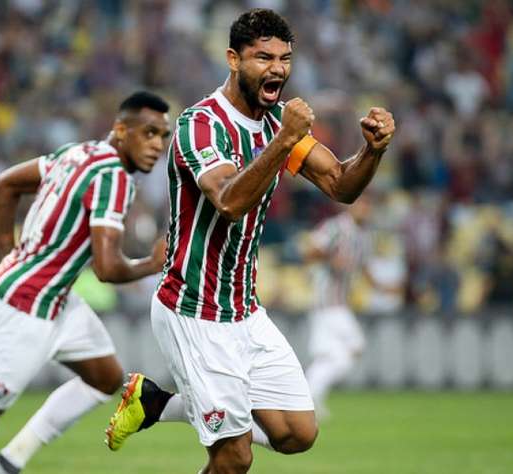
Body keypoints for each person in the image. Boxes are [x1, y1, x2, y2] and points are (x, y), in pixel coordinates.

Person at [104, 9, 395, 474]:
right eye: (263, 57)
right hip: (192, 308)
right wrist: (281, 143)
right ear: (233, 59)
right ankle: (169, 408)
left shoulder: (279, 123)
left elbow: (341, 184)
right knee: (233, 458)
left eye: (284, 58)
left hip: (243, 310)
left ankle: (154, 404)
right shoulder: (200, 125)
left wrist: (373, 151)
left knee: (297, 433)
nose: (277, 68)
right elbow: (229, 201)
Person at [0, 91, 172, 474]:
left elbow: (3, 186)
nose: (157, 145)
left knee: (104, 377)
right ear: (121, 130)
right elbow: (108, 269)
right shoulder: (113, 177)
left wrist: (7, 257)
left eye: (163, 135)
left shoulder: (76, 153)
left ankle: (7, 463)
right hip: (25, 305)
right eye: (149, 133)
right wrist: (152, 263)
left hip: (55, 299)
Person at [302, 194, 388, 419]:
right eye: (361, 204)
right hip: (327, 301)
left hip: (340, 302)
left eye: (368, 204)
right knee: (355, 345)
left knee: (329, 357)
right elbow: (309, 251)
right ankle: (308, 397)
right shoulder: (335, 228)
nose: (364, 208)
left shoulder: (366, 236)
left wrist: (383, 287)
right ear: (351, 206)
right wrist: (331, 258)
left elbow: (364, 267)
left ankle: (310, 399)